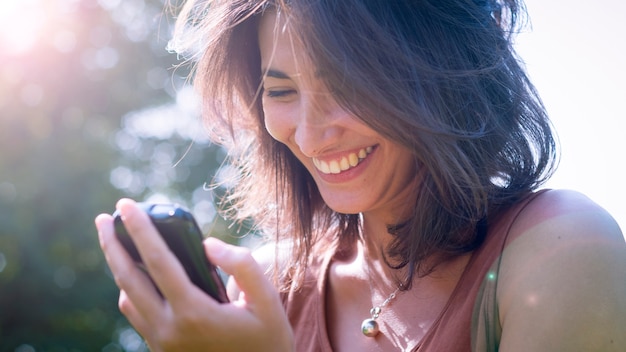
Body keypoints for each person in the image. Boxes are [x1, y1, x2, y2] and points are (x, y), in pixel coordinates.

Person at [95, 0, 626, 350]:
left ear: (447, 69)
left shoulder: (563, 248)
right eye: (280, 92)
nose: (309, 133)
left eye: (347, 85)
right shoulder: (268, 288)